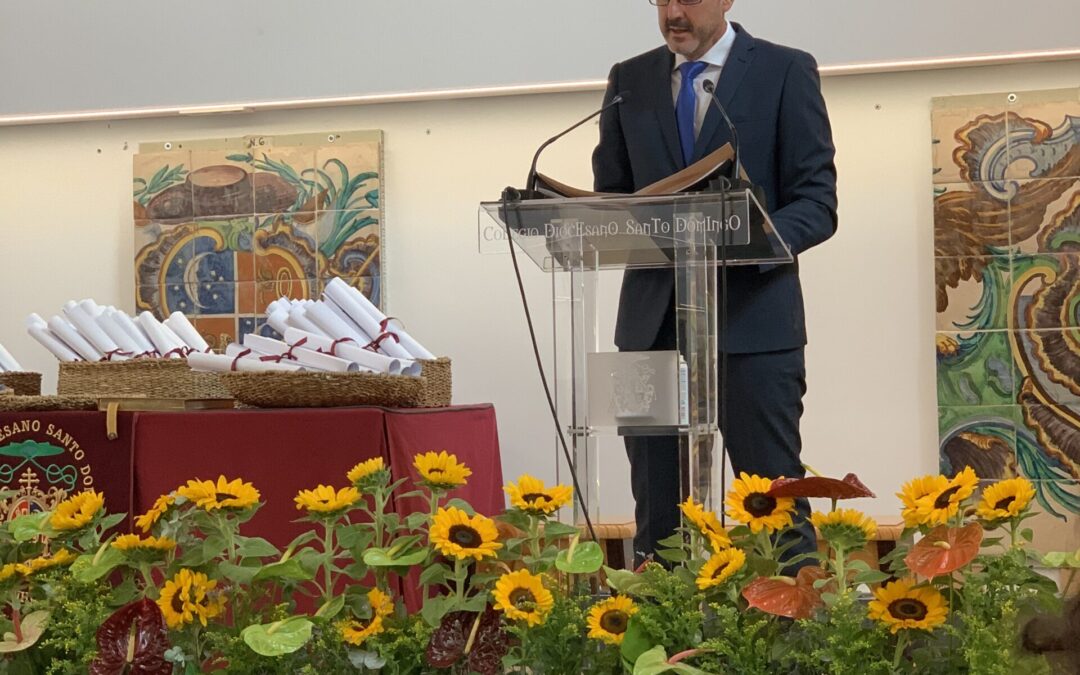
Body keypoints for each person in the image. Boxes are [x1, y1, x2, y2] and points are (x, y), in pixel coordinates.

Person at [592, 0, 837, 565]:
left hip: (753, 327)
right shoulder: (629, 80)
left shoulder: (785, 70)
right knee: (656, 513)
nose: (673, 12)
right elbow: (613, 197)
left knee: (772, 506)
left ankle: (787, 648)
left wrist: (754, 239)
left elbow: (817, 203)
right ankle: (663, 644)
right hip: (648, 329)